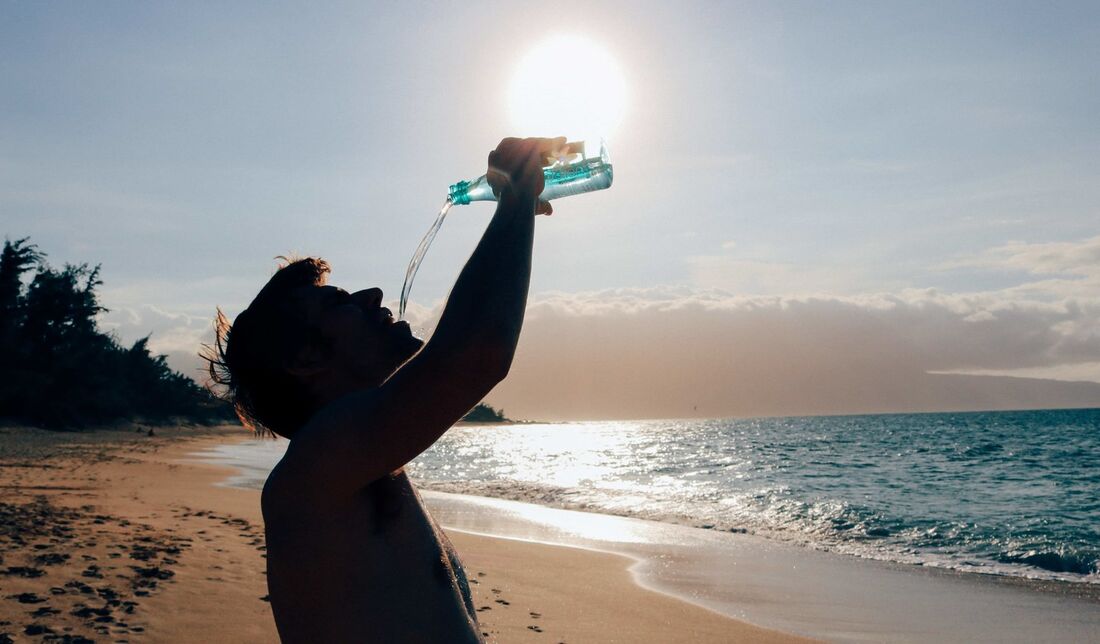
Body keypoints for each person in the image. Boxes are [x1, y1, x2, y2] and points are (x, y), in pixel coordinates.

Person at [204, 137, 564, 643]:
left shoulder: (357, 466)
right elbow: (474, 355)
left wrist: (516, 204)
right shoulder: (315, 469)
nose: (372, 294)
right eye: (340, 302)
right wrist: (515, 196)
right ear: (306, 358)